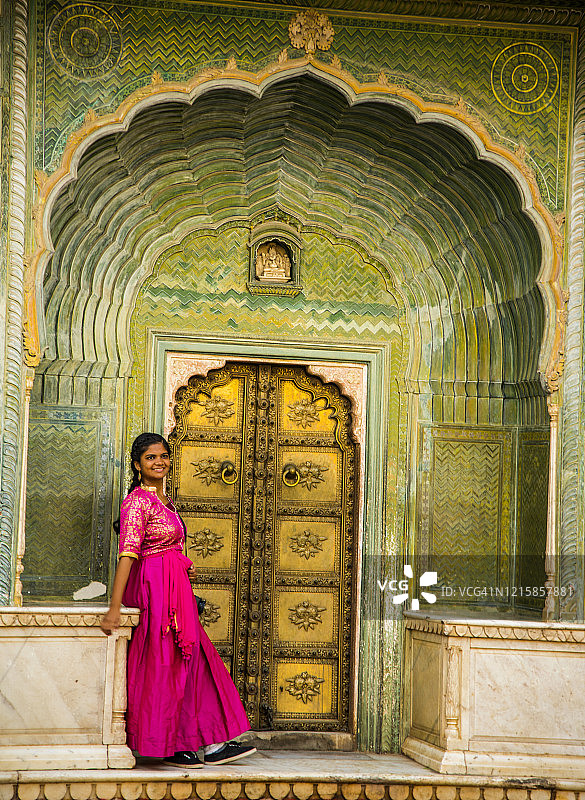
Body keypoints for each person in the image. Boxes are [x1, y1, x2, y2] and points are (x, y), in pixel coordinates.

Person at [100, 432, 256, 768]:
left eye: (163, 456)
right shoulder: (138, 501)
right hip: (156, 589)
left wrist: (181, 565)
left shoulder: (164, 501)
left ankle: (206, 743)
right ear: (138, 464)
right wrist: (115, 608)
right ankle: (173, 745)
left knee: (192, 660)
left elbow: (166, 546)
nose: (159, 462)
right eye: (150, 458)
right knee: (166, 663)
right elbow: (127, 555)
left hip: (173, 585)